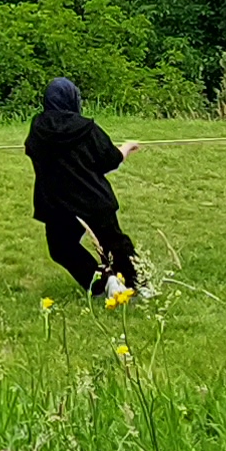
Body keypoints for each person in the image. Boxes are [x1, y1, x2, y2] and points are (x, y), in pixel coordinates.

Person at [20, 78, 142, 308]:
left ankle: (113, 284)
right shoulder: (87, 128)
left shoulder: (38, 128)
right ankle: (119, 284)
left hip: (56, 204)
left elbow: (31, 150)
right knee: (114, 245)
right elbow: (110, 160)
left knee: (63, 249)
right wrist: (126, 148)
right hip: (92, 200)